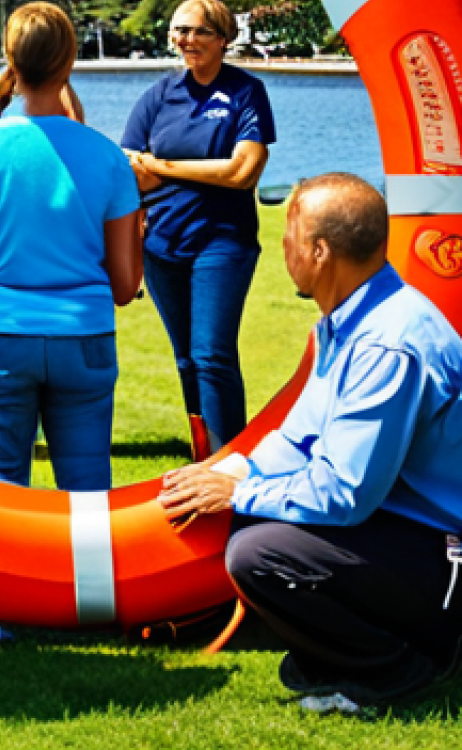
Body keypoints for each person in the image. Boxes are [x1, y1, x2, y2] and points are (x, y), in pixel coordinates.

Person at [158, 173, 462, 711]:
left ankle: (399, 668)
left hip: (441, 552)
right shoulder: (350, 321)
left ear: (319, 252)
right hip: (404, 530)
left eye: (288, 240)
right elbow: (298, 439)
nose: (284, 253)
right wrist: (230, 473)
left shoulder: (388, 343)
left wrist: (237, 495)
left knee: (259, 551)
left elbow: (344, 492)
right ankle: (342, 655)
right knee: (257, 526)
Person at [0, 2, 143, 638]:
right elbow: (127, 287)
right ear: (70, 63)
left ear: (9, 63)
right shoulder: (106, 158)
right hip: (84, 340)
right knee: (86, 494)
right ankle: (88, 615)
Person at [121, 0, 275, 457]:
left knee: (212, 355)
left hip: (222, 242)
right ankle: (202, 454)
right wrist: (171, 169)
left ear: (224, 39)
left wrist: (164, 165)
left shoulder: (247, 92)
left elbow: (243, 173)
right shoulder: (156, 97)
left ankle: (231, 465)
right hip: (162, 244)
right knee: (187, 360)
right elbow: (132, 169)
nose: (185, 40)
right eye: (178, 31)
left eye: (197, 31)